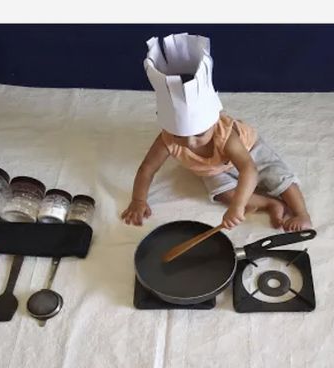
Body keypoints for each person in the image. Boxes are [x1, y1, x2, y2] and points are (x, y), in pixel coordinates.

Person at [121, 33, 312, 232]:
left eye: (200, 134)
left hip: (248, 151)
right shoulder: (168, 139)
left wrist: (238, 207)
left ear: (213, 122)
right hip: (212, 168)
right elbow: (147, 169)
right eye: (180, 136)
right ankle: (270, 203)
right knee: (222, 193)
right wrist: (138, 200)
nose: (191, 143)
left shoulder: (225, 135)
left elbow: (249, 170)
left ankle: (301, 212)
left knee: (276, 174)